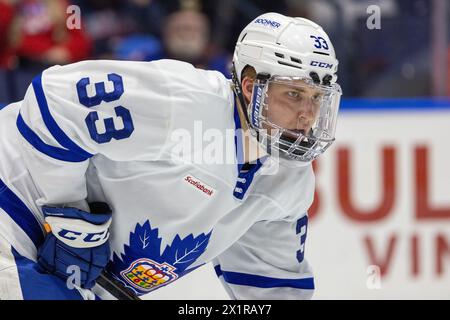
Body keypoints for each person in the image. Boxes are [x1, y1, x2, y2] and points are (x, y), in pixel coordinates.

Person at [0, 12, 341, 300]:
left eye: (316, 98)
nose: (307, 115)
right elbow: (54, 100)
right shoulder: (184, 101)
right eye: (294, 94)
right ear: (252, 87)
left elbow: (272, 287)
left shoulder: (289, 182)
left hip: (68, 277)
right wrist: (72, 220)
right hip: (13, 203)